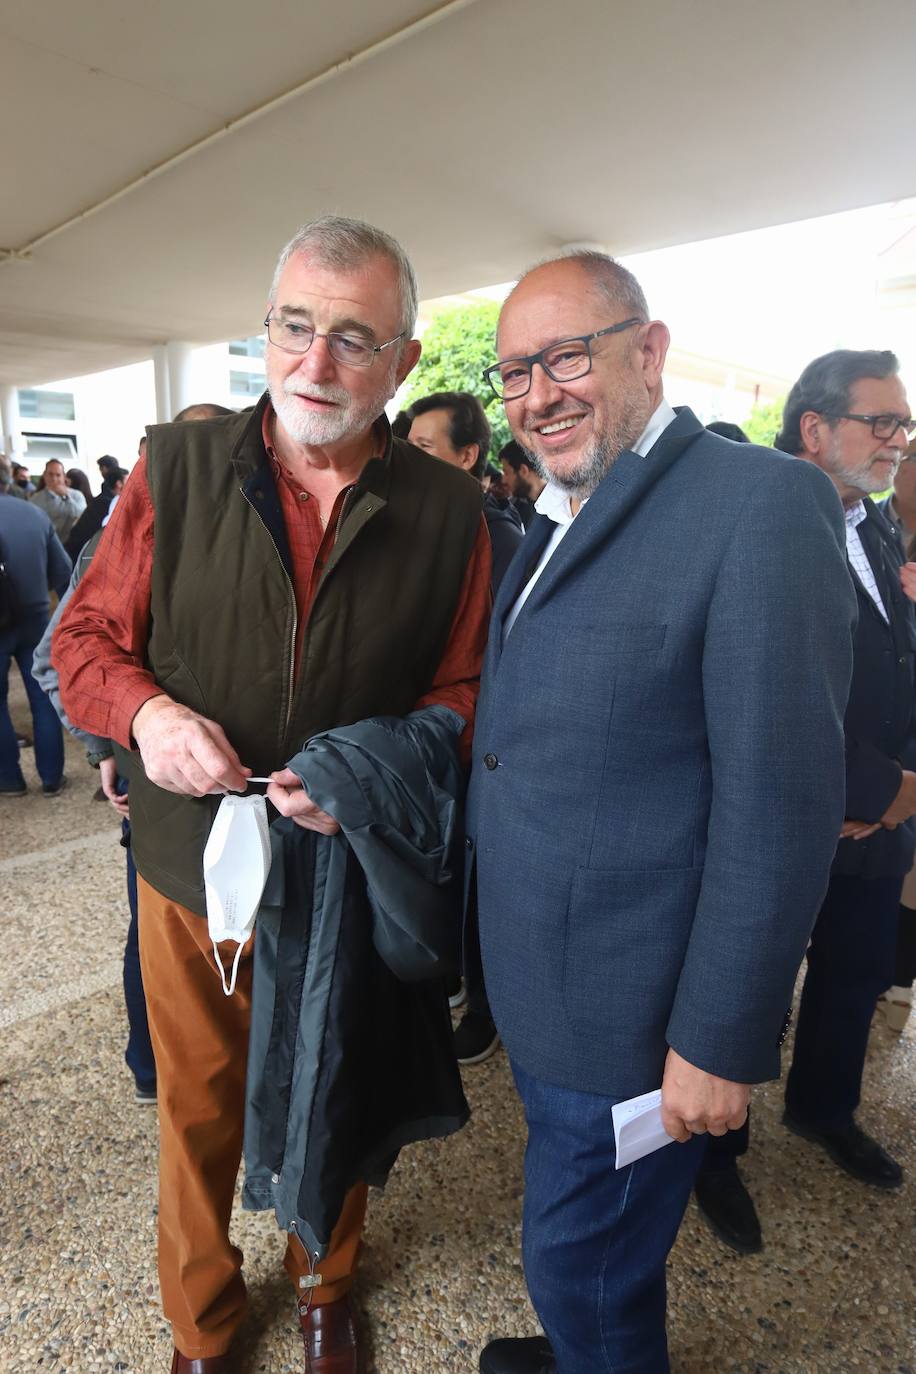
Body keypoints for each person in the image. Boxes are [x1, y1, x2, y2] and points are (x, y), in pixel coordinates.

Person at [53, 215, 490, 1374]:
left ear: (402, 361)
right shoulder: (178, 471)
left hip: (346, 863)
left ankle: (325, 1281)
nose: (316, 364)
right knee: (195, 1095)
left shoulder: (450, 514)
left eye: (355, 338)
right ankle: (201, 1314)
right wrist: (145, 715)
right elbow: (84, 643)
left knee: (332, 1073)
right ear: (266, 331)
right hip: (189, 862)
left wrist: (370, 777)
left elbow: (467, 691)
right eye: (295, 327)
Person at [467, 250, 855, 1374]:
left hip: (637, 1013)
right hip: (548, 985)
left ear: (649, 349)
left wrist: (718, 1038)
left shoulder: (758, 503)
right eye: (512, 373)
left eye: (565, 356)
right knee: (592, 1248)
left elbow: (779, 800)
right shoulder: (558, 508)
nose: (537, 392)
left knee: (579, 1263)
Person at [773, 351, 915, 1180]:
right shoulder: (763, 518)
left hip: (875, 817)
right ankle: (717, 1153)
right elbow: (776, 686)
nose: (899, 439)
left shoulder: (879, 521)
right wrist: (885, 790)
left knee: (854, 974)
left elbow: (893, 661)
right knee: (751, 989)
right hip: (789, 810)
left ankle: (824, 1109)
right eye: (882, 421)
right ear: (816, 428)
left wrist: (897, 793)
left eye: (903, 422)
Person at [408, 390, 523, 594]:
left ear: (467, 456)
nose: (408, 458)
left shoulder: (501, 542)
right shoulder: (415, 524)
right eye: (408, 447)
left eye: (424, 446)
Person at [0, 496, 71, 795]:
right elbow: (65, 575)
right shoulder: (33, 514)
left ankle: (9, 780)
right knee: (44, 698)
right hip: (36, 621)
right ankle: (52, 777)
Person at [30, 459, 86, 542]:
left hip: (72, 544)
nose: (54, 478)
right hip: (45, 543)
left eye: (58, 475)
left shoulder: (76, 495)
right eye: (50, 474)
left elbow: (82, 516)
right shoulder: (35, 499)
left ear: (64, 476)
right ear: (44, 475)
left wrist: (66, 497)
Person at [498, 439, 546, 529]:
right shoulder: (518, 507)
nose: (503, 480)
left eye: (506, 473)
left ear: (523, 470)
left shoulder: (559, 506)